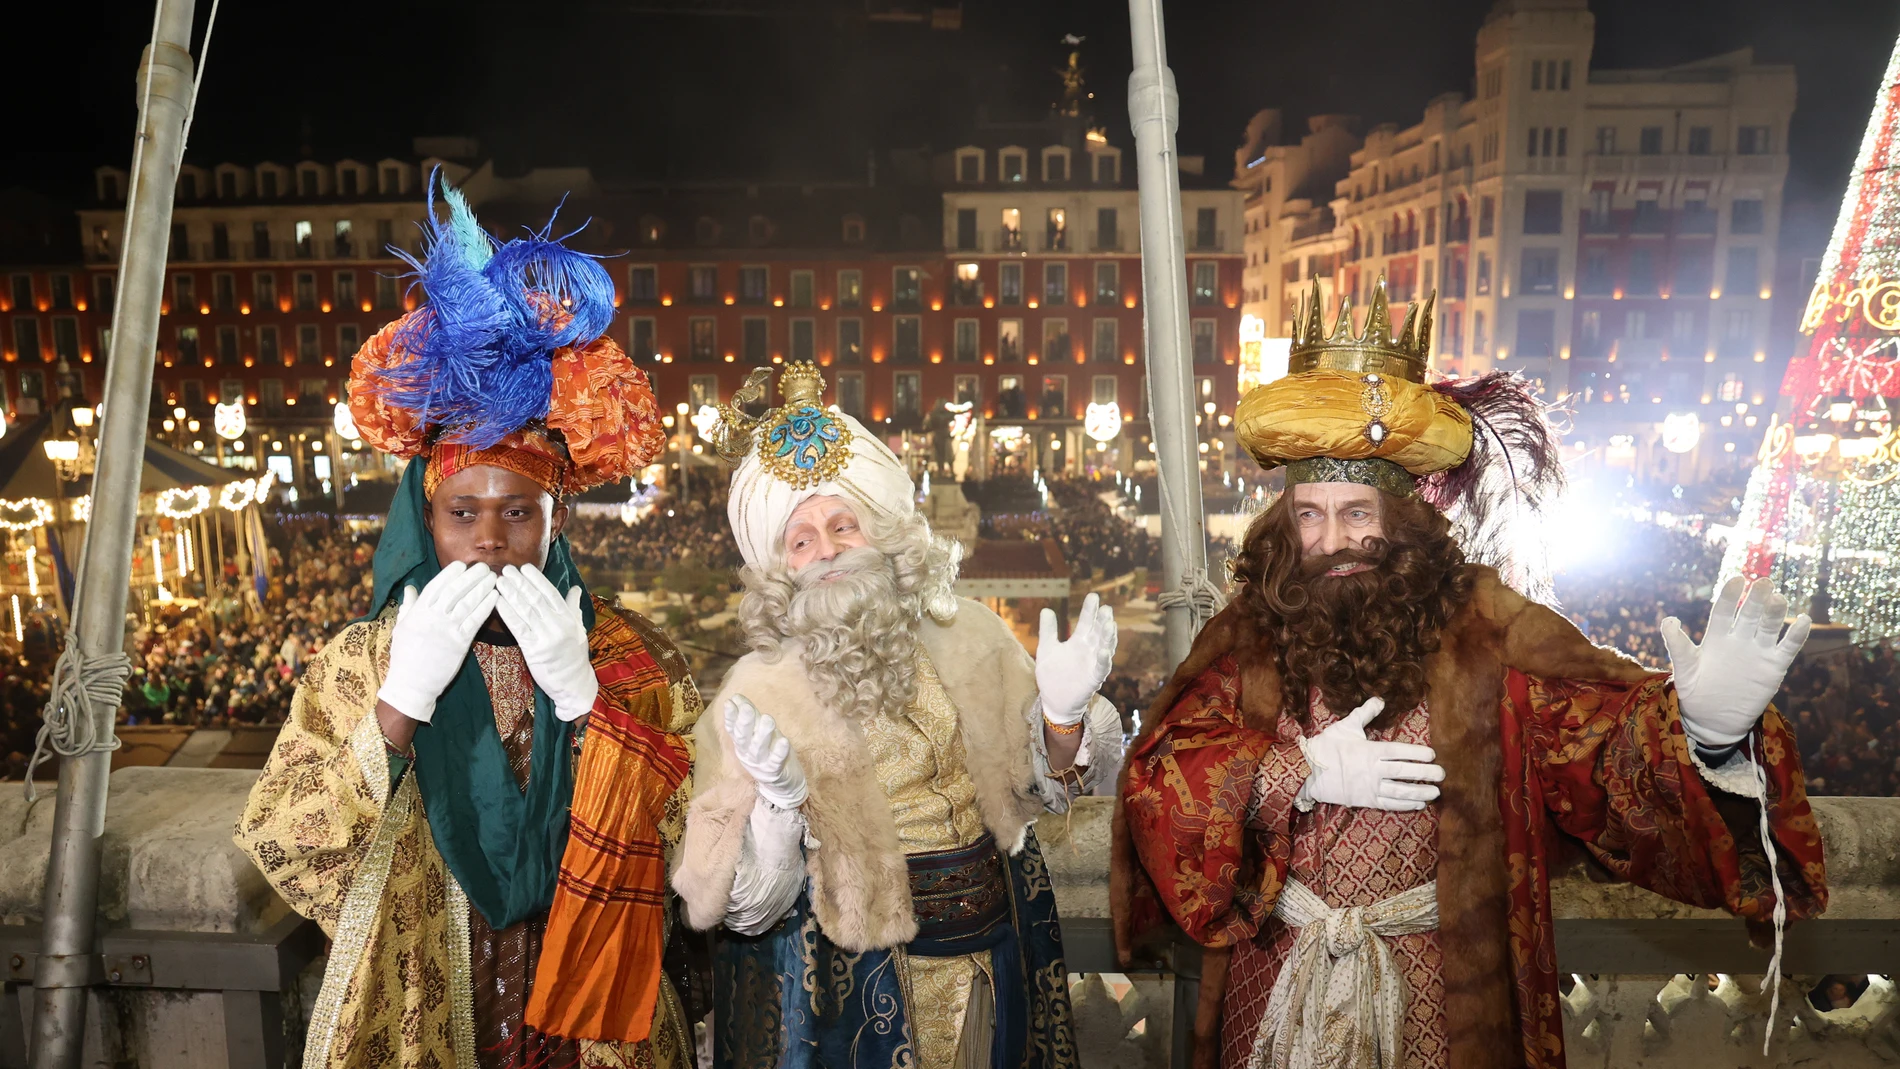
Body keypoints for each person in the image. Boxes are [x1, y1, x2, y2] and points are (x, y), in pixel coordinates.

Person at [1112, 279, 1829, 1069]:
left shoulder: (1488, 628)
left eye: (1356, 514)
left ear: (1404, 519)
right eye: (1309, 515)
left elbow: (1591, 751)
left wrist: (1705, 735)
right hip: (1272, 984)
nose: (1331, 539)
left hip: (1440, 996)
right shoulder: (1247, 631)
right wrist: (1293, 773)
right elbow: (1160, 773)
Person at [235, 181, 695, 1069]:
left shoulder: (635, 658)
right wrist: (399, 705)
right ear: (426, 517)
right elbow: (288, 848)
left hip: (591, 1012)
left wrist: (586, 707)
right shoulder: (357, 665)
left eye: (517, 512)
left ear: (556, 519)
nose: (488, 541)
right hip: (417, 1011)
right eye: (462, 512)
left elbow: (688, 849)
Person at [671, 364, 1122, 1069]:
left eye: (842, 524)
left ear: (878, 529)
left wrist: (1062, 718)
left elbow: (1039, 787)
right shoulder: (751, 695)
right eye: (801, 539)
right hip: (848, 1001)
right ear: (780, 569)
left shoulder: (970, 633)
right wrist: (778, 812)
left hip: (996, 956)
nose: (827, 551)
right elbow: (735, 902)